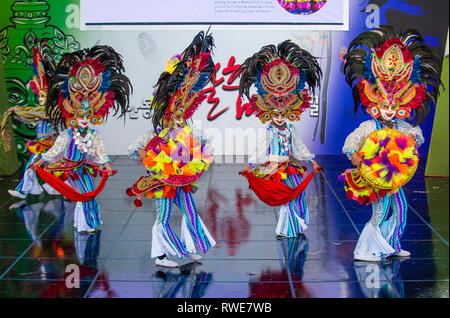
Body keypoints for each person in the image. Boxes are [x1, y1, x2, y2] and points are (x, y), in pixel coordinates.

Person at [341, 25, 441, 261]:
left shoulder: (400, 126)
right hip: (375, 179)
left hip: (394, 180)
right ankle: (366, 250)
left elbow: (416, 134)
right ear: (374, 102)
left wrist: (410, 140)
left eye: (392, 107)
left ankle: (391, 245)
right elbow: (351, 143)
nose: (387, 111)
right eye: (384, 106)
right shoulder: (369, 127)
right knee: (380, 213)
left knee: (402, 211)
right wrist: (355, 155)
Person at [127, 31, 216, 268]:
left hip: (182, 178)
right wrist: (141, 152)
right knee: (163, 217)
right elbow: (136, 146)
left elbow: (197, 144)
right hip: (163, 180)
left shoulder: (185, 129)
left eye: (181, 111)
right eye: (174, 110)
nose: (178, 114)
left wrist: (201, 149)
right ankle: (160, 255)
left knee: (191, 212)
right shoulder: (158, 132)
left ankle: (189, 248)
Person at [30, 45, 132, 233]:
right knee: (84, 195)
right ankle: (85, 224)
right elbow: (55, 150)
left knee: (89, 195)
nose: (84, 120)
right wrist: (40, 160)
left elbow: (99, 150)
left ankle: (86, 223)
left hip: (84, 168)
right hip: (70, 167)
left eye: (87, 117)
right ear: (74, 117)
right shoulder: (67, 134)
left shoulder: (93, 134)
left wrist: (106, 165)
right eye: (81, 117)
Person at [238, 40, 322, 238]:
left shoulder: (290, 128)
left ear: (289, 111)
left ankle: (294, 226)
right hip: (274, 167)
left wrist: (312, 161)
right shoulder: (269, 129)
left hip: (289, 165)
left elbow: (299, 146)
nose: (279, 115)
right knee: (287, 196)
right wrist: (251, 164)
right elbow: (261, 147)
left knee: (297, 193)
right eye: (275, 112)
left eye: (282, 112)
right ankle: (287, 229)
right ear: (269, 111)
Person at [1, 40, 59, 198]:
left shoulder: (50, 112)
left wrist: (24, 112)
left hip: (51, 143)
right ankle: (27, 189)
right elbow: (30, 120)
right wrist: (18, 114)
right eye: (40, 95)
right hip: (41, 144)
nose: (41, 98)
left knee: (59, 167)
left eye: (43, 96)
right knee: (31, 166)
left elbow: (44, 117)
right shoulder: (38, 112)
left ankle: (56, 188)